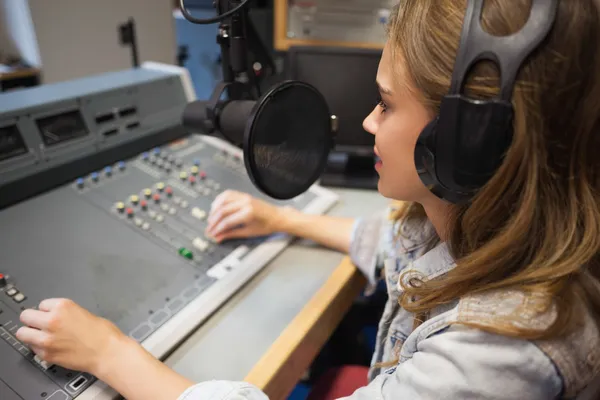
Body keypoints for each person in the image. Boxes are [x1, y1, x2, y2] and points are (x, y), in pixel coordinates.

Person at [14, 0, 600, 399]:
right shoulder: (470, 231)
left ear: (469, 143)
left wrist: (111, 354)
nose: (368, 121)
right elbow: (392, 246)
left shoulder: (505, 350)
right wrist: (281, 218)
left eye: (387, 104)